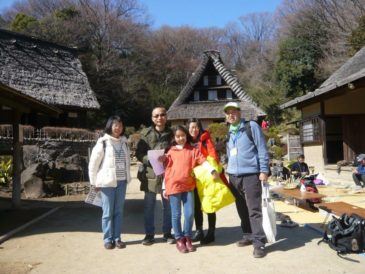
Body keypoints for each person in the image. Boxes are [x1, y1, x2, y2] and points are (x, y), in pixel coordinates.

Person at [161, 125, 218, 253]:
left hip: (188, 187)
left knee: (189, 214)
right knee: (176, 215)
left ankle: (187, 237)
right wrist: (165, 188)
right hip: (173, 187)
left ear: (186, 136)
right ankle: (179, 239)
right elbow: (166, 171)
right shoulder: (170, 152)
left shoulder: (192, 150)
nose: (180, 138)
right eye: (177, 136)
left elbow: (203, 161)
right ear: (174, 138)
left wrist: (212, 170)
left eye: (182, 135)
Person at [224, 102, 270, 258]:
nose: (231, 114)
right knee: (241, 208)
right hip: (233, 176)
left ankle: (259, 242)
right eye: (228, 112)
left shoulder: (251, 127)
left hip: (250, 174)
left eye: (234, 111)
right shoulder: (229, 131)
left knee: (254, 210)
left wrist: (264, 170)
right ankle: (248, 235)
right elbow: (230, 153)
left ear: (239, 112)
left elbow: (262, 148)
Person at [88, 116, 131, 249]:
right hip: (107, 183)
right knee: (107, 213)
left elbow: (127, 163)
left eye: (120, 125)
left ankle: (117, 238)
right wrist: (94, 182)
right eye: (115, 125)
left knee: (118, 211)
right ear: (110, 126)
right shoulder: (103, 142)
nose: (118, 127)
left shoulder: (124, 143)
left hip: (121, 182)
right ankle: (108, 239)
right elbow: (93, 164)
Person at [135, 107, 174, 245]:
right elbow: (139, 153)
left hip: (168, 175)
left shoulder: (173, 134)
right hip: (150, 175)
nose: (159, 118)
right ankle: (149, 234)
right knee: (149, 206)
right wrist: (149, 159)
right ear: (152, 118)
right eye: (156, 115)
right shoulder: (145, 134)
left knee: (168, 206)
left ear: (166, 116)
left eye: (162, 115)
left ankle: (167, 233)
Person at [188, 118, 226, 244]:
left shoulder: (205, 139)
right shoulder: (186, 141)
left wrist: (213, 171)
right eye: (191, 127)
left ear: (200, 128)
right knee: (197, 206)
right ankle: (199, 231)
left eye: (196, 127)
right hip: (193, 177)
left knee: (210, 203)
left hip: (206, 177)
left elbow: (213, 155)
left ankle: (211, 232)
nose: (194, 130)